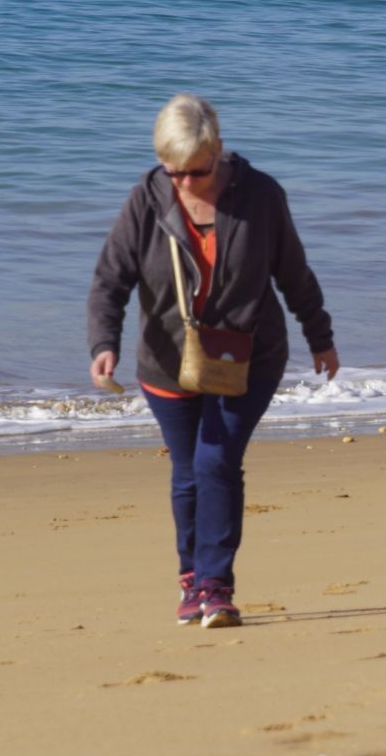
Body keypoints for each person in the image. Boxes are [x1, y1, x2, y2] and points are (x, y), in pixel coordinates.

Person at [88, 94, 338, 628]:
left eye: (196, 172)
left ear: (218, 152)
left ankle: (216, 587)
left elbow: (293, 271)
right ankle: (190, 579)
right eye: (172, 171)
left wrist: (320, 334)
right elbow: (111, 279)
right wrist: (102, 342)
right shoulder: (146, 201)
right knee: (187, 472)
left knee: (215, 461)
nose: (183, 183)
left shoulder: (262, 197)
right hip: (166, 359)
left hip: (249, 356)